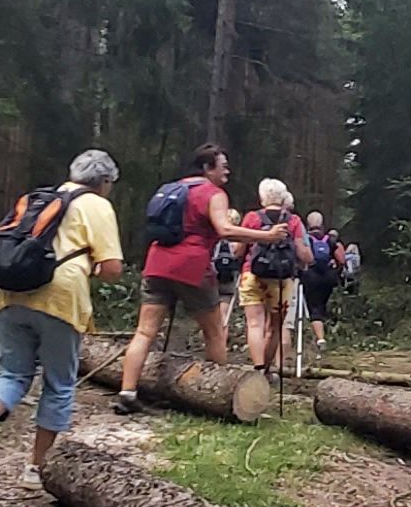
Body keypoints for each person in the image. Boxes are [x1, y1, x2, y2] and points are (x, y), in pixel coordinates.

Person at [0, 149, 124, 491]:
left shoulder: (40, 198)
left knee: (12, 373)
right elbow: (112, 269)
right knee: (59, 383)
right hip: (59, 298)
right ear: (105, 182)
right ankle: (36, 468)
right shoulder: (96, 205)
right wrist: (89, 266)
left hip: (9, 293)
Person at [116, 142, 291, 415]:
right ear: (208, 168)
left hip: (156, 263)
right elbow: (224, 229)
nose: (227, 172)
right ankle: (217, 393)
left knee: (145, 331)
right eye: (223, 166)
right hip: (192, 267)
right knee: (214, 331)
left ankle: (127, 392)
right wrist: (267, 236)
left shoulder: (174, 188)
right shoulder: (213, 193)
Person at [239, 178, 311, 371]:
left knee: (254, 324)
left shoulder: (252, 218)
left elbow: (239, 250)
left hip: (252, 274)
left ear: (262, 197)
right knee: (275, 326)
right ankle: (267, 369)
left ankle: (258, 367)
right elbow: (302, 253)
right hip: (282, 278)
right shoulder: (293, 220)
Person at [298, 208, 342, 351]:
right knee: (323, 304)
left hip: (311, 275)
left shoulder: (305, 239)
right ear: (322, 223)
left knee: (314, 307)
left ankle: (320, 339)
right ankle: (327, 330)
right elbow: (341, 258)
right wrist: (336, 270)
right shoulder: (330, 239)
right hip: (328, 276)